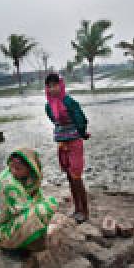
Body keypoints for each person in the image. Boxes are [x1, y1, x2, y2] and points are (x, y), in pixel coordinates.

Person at [0, 148, 58, 251]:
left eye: (18, 168)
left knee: (40, 202)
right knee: (50, 205)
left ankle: (30, 240)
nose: (14, 171)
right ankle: (25, 242)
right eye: (12, 167)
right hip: (0, 233)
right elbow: (24, 210)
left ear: (30, 168)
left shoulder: (22, 178)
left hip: (3, 226)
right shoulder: (10, 185)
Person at [44, 73, 90, 223]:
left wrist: (82, 133)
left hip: (74, 142)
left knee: (76, 176)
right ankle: (76, 208)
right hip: (62, 144)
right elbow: (54, 120)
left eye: (55, 85)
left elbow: (81, 119)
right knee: (69, 176)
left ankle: (85, 211)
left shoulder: (70, 102)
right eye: (49, 86)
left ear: (61, 85)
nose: (52, 89)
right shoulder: (48, 106)